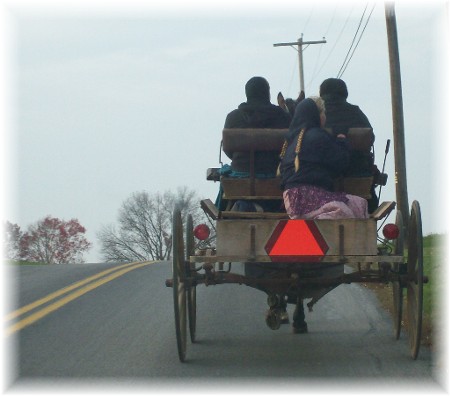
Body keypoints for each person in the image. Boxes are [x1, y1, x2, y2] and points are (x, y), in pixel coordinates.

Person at [279, 96, 369, 220]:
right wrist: (342, 139)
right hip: (306, 197)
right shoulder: (317, 136)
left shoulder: (292, 140)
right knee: (343, 210)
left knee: (359, 204)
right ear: (317, 115)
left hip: (294, 199)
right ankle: (319, 231)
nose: (325, 116)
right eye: (323, 112)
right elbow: (341, 161)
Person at [319, 78, 380, 212]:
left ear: (321, 95)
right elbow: (371, 138)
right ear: (345, 93)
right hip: (357, 174)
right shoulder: (355, 113)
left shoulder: (317, 116)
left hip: (322, 177)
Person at [223, 76, 291, 175]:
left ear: (247, 94)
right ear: (267, 93)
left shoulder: (233, 117)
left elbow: (228, 151)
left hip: (241, 172)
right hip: (275, 173)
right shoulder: (283, 116)